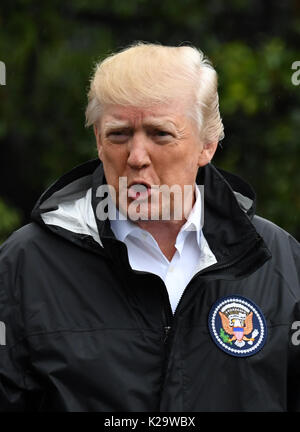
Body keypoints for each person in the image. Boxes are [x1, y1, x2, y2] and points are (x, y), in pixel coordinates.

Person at [0, 42, 299, 412]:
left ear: (207, 145)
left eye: (160, 134)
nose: (136, 157)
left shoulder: (280, 262)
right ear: (97, 141)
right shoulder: (26, 265)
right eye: (118, 135)